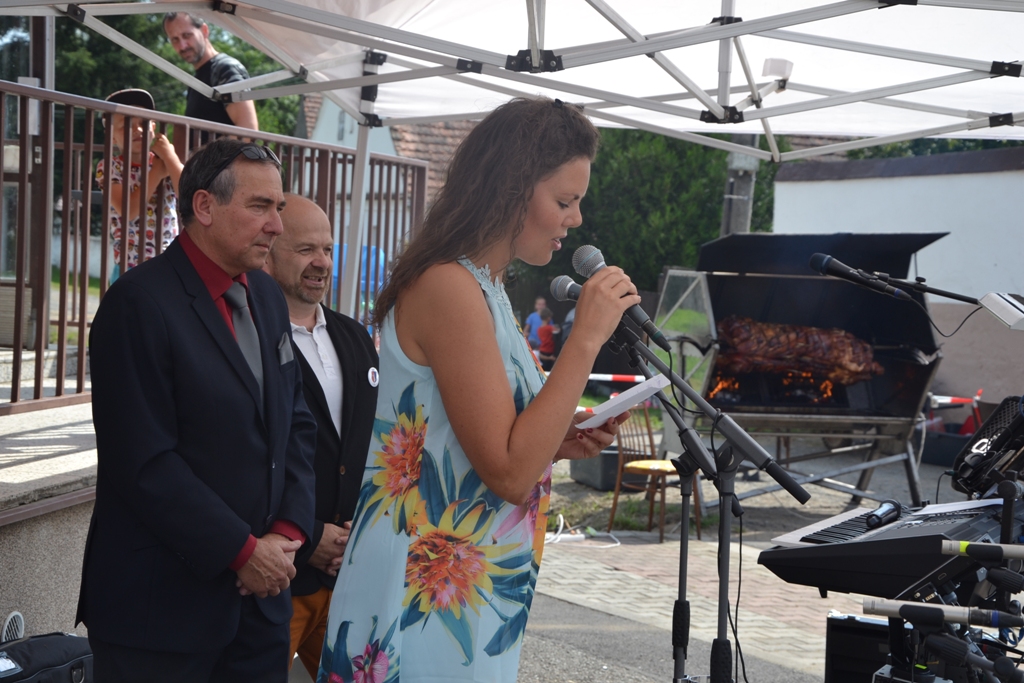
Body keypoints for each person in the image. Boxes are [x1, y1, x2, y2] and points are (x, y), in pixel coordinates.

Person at [318, 97, 637, 682]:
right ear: (512, 190)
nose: (575, 219)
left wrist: (557, 438)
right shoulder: (449, 287)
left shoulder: (488, 287)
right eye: (564, 201)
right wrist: (585, 340)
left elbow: (481, 437)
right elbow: (508, 473)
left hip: (462, 584)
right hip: (421, 588)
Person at [78, 139, 317, 682]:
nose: (277, 225)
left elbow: (296, 424)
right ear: (205, 206)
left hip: (261, 610)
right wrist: (242, 552)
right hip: (160, 619)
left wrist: (286, 533)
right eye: (260, 206)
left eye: (278, 207)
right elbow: (144, 461)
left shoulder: (266, 296)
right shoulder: (137, 304)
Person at [262, 194, 379, 679]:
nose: (322, 262)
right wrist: (309, 535)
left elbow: (379, 447)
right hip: (280, 578)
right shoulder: (253, 340)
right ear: (268, 252)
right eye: (306, 249)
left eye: (328, 249)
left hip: (351, 579)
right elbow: (247, 457)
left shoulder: (356, 338)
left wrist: (358, 533)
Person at [95, 88, 183, 275]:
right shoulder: (110, 166)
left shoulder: (165, 160)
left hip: (169, 263)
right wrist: (156, 173)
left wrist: (171, 157)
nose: (137, 129)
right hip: (131, 265)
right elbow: (128, 210)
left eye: (143, 122)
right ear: (112, 136)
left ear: (153, 127)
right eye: (126, 125)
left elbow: (188, 193)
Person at [163, 12, 259, 130]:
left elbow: (247, 129)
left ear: (204, 31)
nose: (182, 46)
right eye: (175, 40)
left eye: (187, 35)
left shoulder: (224, 69)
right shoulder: (196, 81)